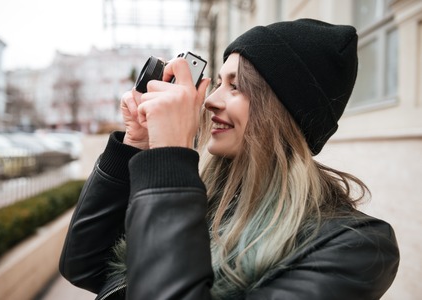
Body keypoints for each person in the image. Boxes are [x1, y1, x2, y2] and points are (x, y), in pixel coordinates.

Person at [59, 18, 399, 300]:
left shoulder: (356, 247)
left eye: (236, 86)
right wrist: (135, 144)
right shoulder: (206, 195)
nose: (210, 101)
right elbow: (84, 265)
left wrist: (170, 159)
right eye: (218, 82)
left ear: (284, 111)